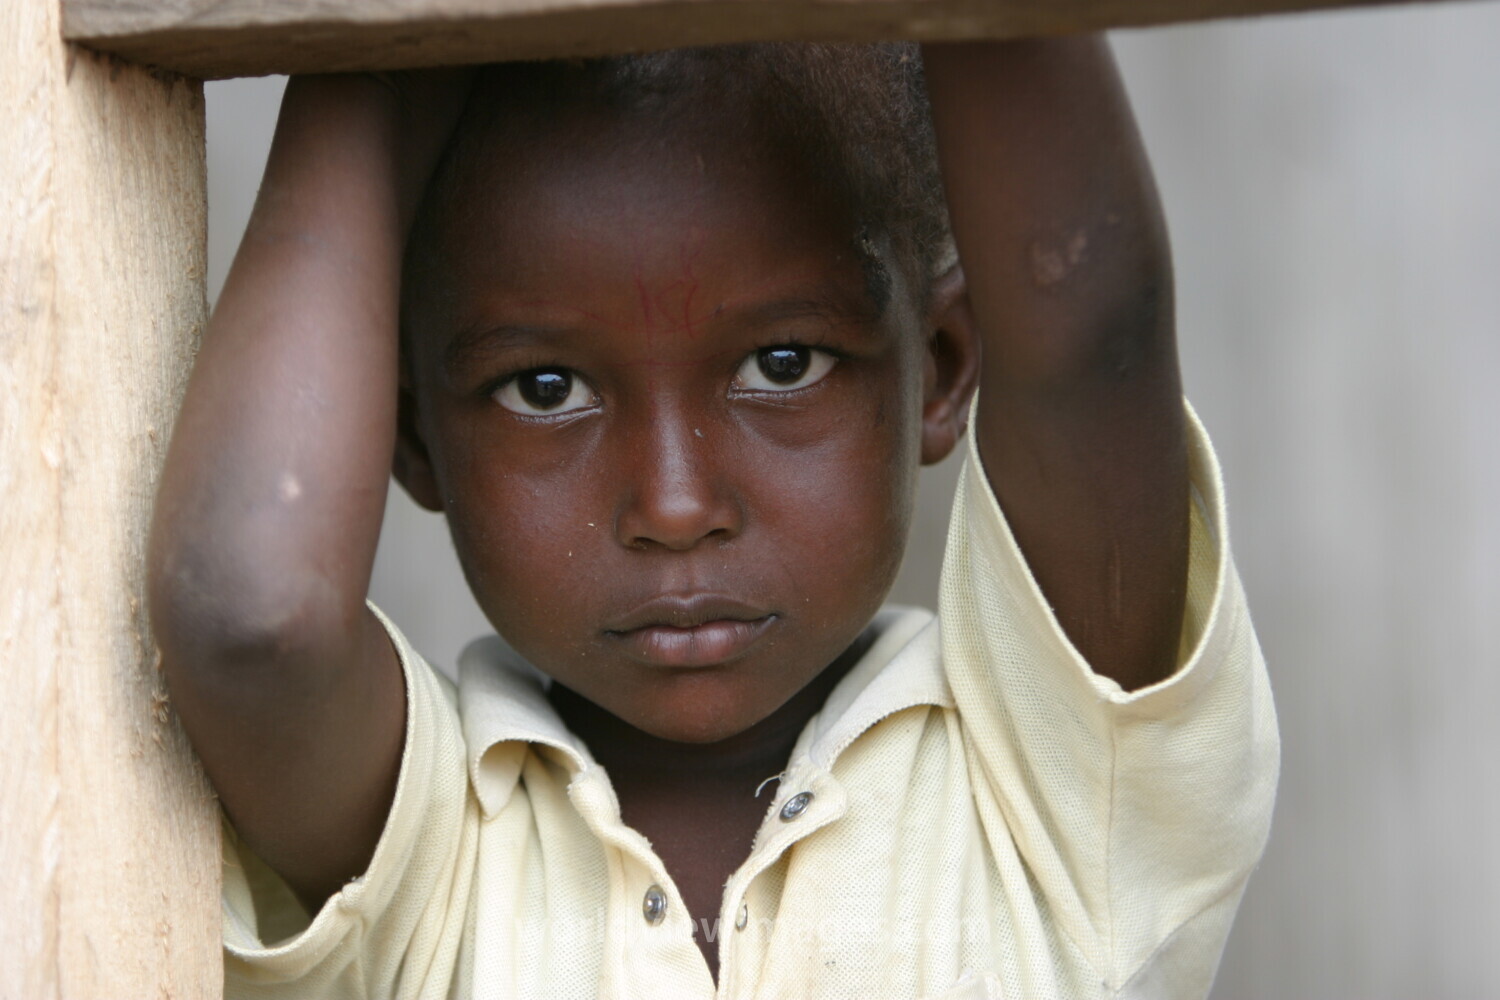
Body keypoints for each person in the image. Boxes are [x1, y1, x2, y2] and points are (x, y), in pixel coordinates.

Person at [148, 35, 1278, 999]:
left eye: (781, 363)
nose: (674, 506)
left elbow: (1092, 334)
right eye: (547, 389)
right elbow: (256, 620)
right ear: (408, 435)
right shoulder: (423, 854)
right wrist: (380, 67)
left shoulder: (1060, 785)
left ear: (936, 368)